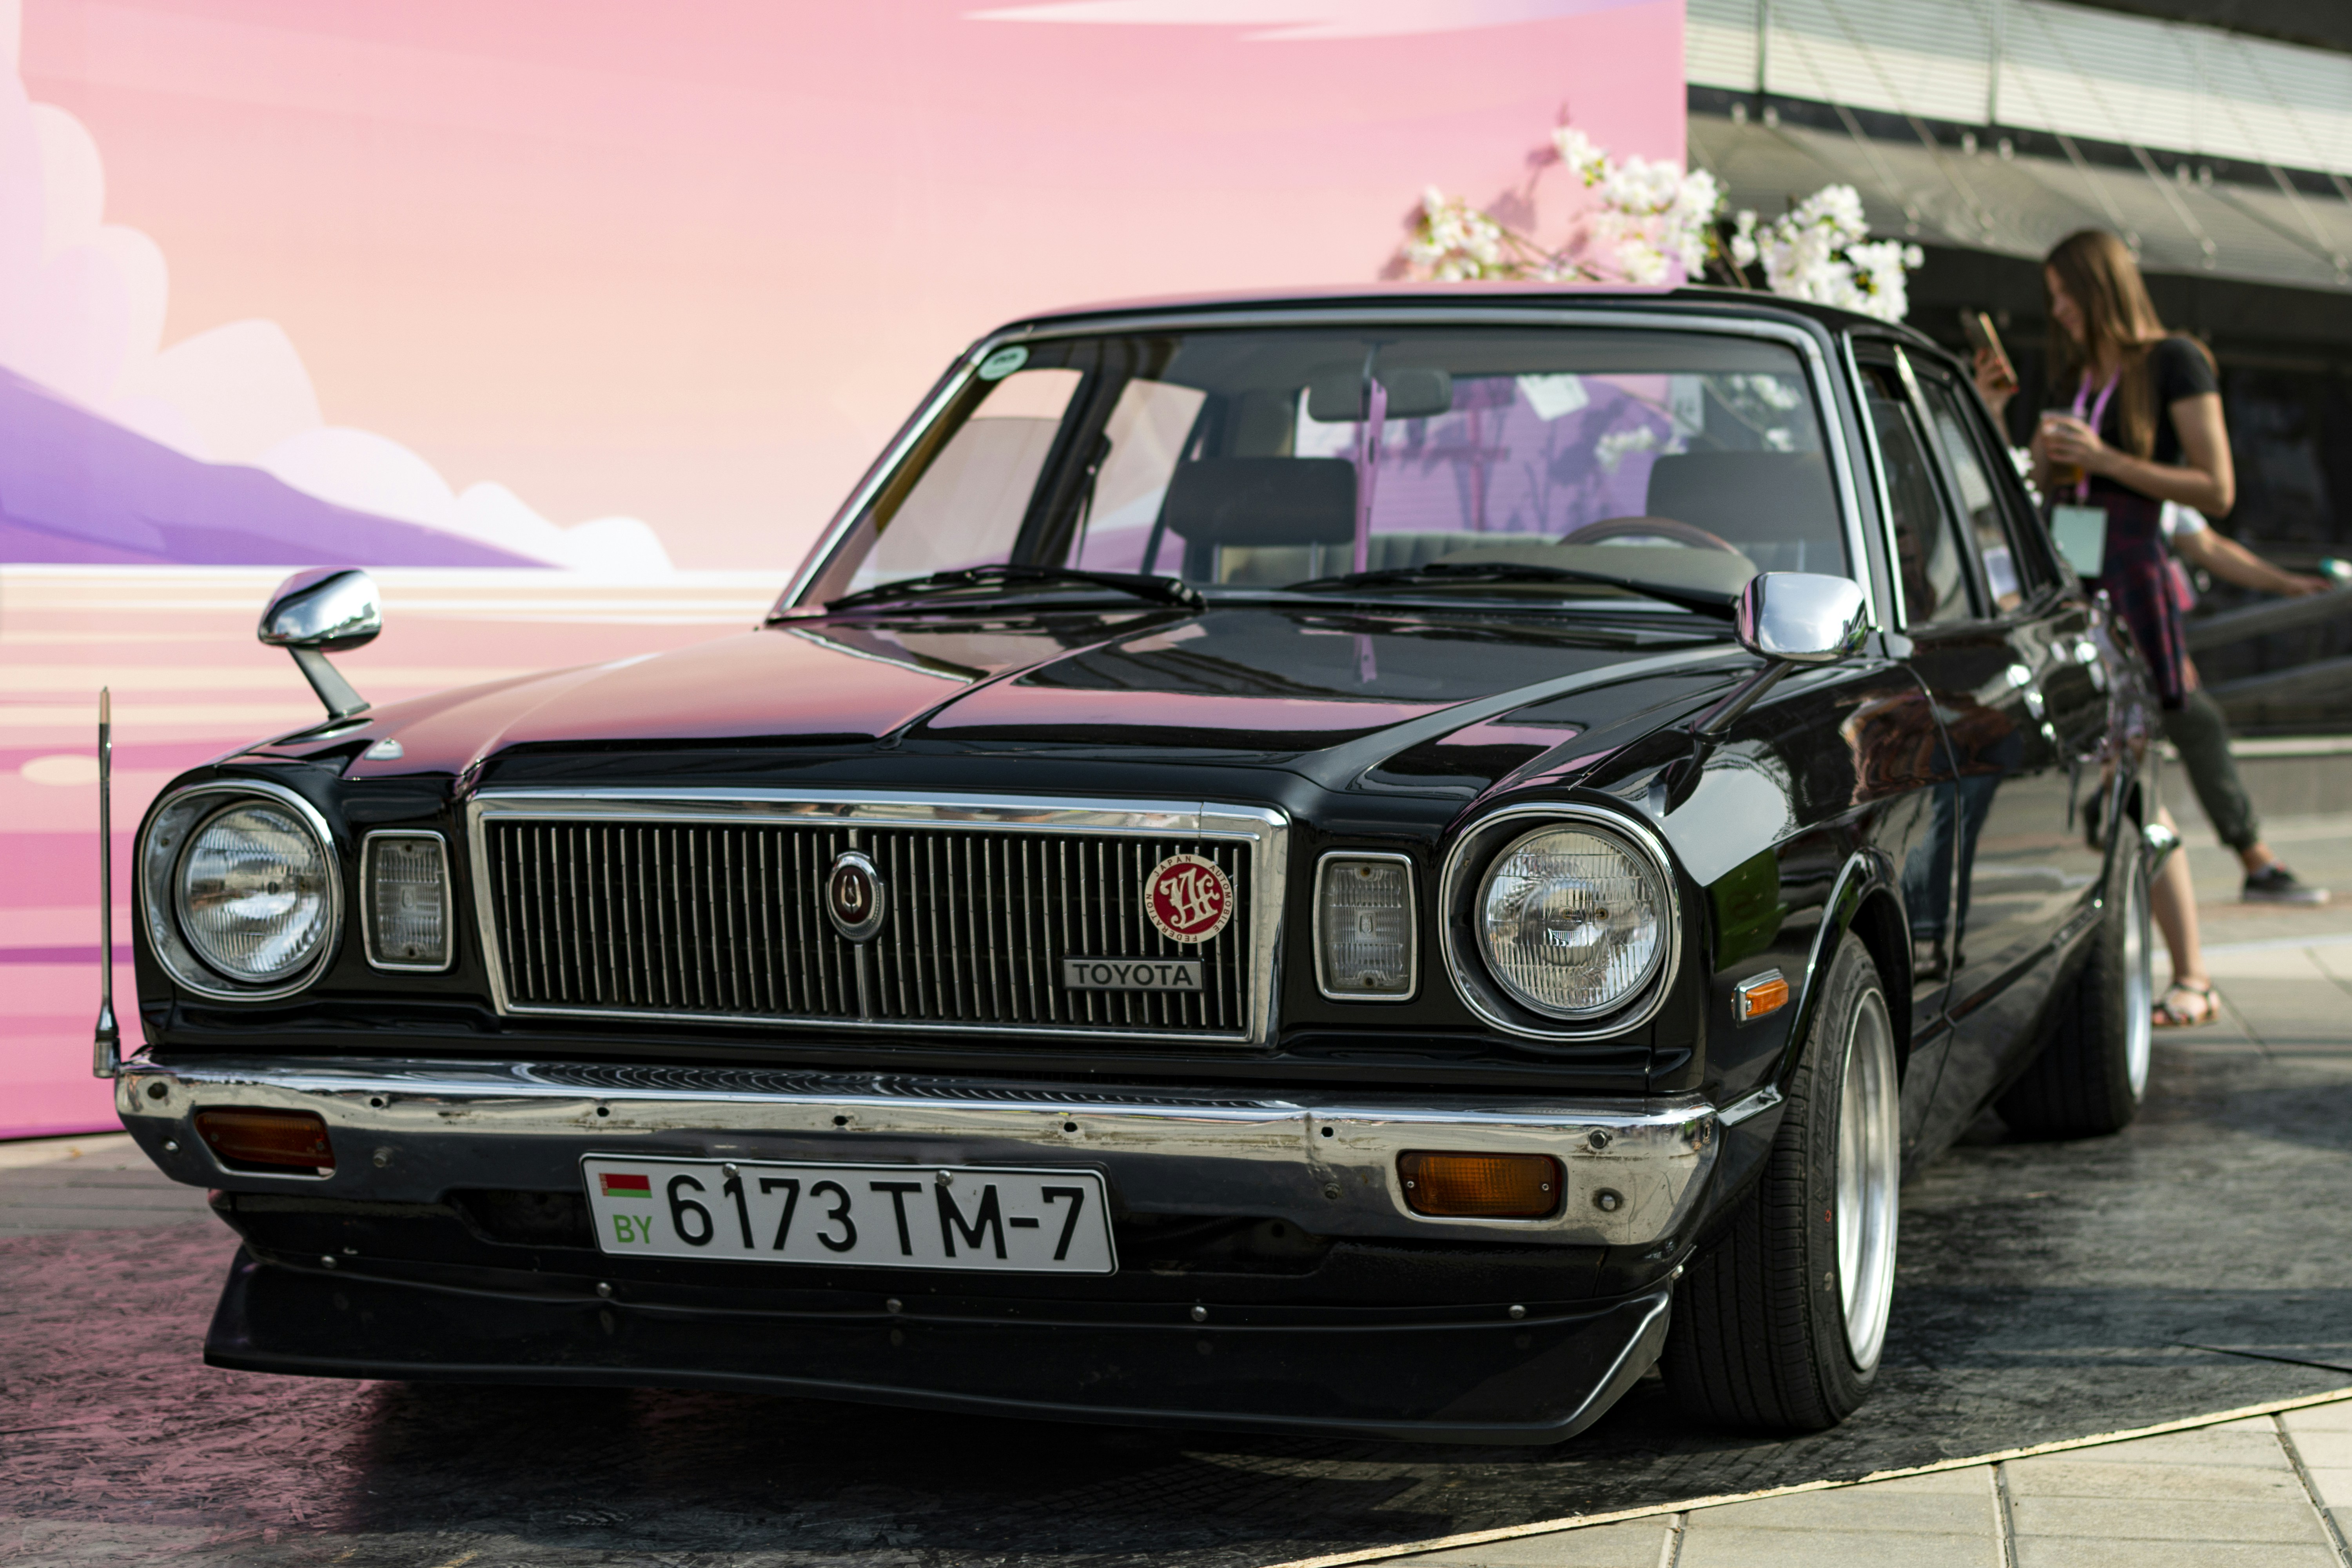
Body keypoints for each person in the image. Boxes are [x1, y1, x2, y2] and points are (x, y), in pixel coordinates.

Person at [1969, 229, 2324, 1030]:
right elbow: (2039, 488)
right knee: (2112, 780)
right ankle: (2151, 967)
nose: (2054, 306)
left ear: (2096, 286)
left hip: (2130, 586)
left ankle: (2192, 969)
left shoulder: (2173, 360)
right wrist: (2002, 416)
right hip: (2075, 586)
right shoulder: (2079, 374)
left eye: (2063, 290)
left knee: (2135, 777)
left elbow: (2218, 488)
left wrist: (2107, 456)